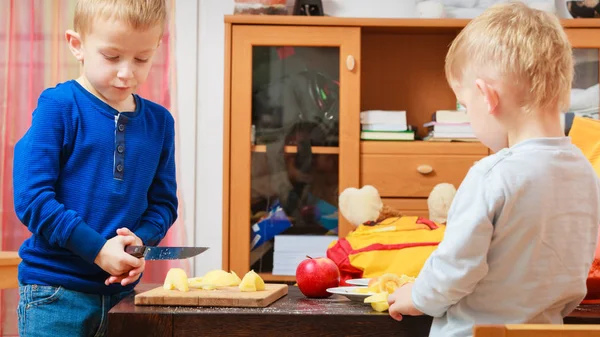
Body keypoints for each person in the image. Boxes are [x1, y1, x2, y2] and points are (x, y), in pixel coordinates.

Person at [386, 2, 600, 337]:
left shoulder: (492, 175)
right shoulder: (586, 173)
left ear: (487, 97)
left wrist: (417, 296)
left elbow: (455, 269)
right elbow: (574, 276)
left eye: (466, 106)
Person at [12, 0, 177, 336]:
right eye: (112, 56)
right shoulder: (57, 106)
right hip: (54, 295)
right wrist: (98, 250)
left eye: (142, 58)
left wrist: (139, 243)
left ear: (157, 47)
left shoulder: (160, 123)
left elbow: (164, 205)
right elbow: (31, 198)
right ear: (77, 45)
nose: (127, 72)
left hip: (122, 297)